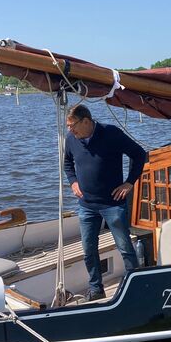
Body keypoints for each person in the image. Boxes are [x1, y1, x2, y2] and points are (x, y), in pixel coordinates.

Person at [64, 104, 146, 302]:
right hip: (86, 205)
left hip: (113, 204)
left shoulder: (111, 133)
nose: (70, 130)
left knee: (125, 246)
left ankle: (136, 288)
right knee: (88, 250)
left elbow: (139, 154)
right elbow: (67, 163)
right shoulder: (71, 139)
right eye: (67, 126)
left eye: (72, 125)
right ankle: (96, 289)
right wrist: (73, 181)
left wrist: (129, 183)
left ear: (86, 121)